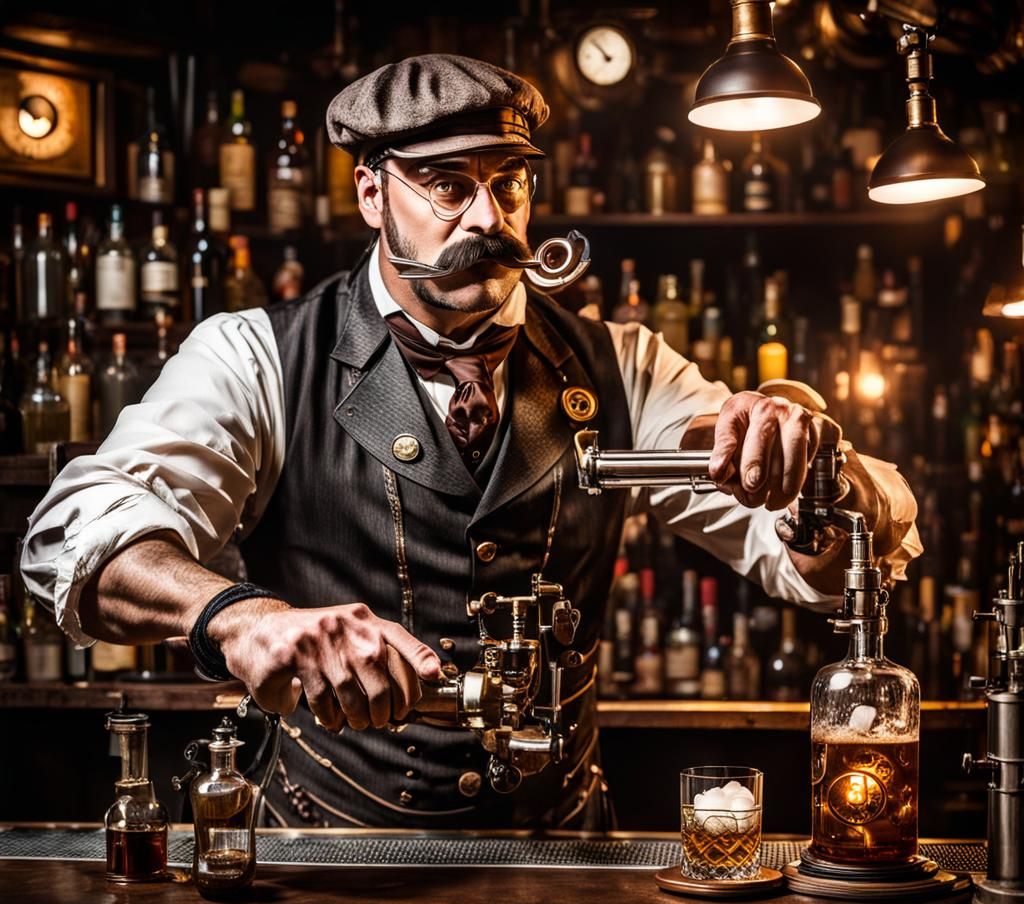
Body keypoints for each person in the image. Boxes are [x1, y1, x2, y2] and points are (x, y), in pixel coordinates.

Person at [20, 54, 920, 830]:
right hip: (331, 855)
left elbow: (818, 552)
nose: (489, 219)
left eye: (510, 183)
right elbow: (77, 536)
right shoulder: (255, 356)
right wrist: (242, 618)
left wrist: (814, 467)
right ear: (371, 192)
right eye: (449, 186)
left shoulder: (624, 365)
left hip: (564, 853)